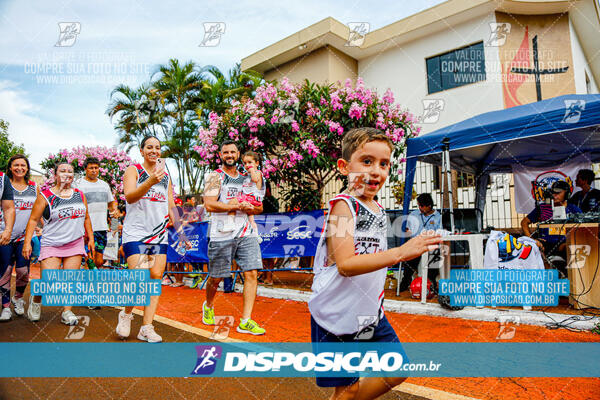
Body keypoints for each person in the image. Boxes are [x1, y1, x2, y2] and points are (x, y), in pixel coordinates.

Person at [309, 127, 441, 399]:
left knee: (397, 369)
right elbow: (345, 264)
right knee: (346, 389)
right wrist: (402, 252)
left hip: (369, 314)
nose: (376, 171)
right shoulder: (343, 206)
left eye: (384, 164)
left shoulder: (379, 211)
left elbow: (373, 260)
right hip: (335, 315)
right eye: (366, 161)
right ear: (344, 167)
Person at [115, 136, 178, 343]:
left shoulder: (166, 177)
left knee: (154, 278)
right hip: (136, 233)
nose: (154, 150)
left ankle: (146, 327)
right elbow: (130, 196)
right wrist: (150, 181)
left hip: (159, 234)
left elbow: (170, 206)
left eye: (157, 147)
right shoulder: (133, 170)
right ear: (142, 151)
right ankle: (126, 314)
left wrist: (181, 230)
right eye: (149, 147)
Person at [202, 140, 266, 335]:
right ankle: (209, 304)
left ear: (238, 154)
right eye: (225, 152)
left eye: (233, 152)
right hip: (221, 234)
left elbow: (260, 206)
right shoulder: (215, 176)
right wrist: (235, 206)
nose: (229, 155)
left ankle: (245, 320)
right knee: (217, 277)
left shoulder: (248, 178)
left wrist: (250, 208)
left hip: (246, 232)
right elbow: (209, 205)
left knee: (252, 273)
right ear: (221, 155)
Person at [22, 162, 94, 325]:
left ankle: (67, 312)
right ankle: (36, 300)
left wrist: (90, 238)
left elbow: (87, 217)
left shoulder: (80, 195)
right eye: (62, 171)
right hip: (52, 243)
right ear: (55, 175)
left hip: (75, 243)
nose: (66, 174)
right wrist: (27, 243)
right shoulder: (46, 195)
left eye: (70, 171)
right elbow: (33, 219)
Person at [521, 180, 581, 272]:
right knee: (535, 251)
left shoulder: (573, 209)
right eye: (553, 193)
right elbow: (524, 222)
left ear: (567, 194)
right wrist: (531, 239)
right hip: (544, 244)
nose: (554, 196)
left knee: (571, 248)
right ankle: (548, 278)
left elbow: (582, 226)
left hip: (564, 244)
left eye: (558, 193)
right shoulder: (543, 208)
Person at [74, 157, 118, 269]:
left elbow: (112, 205)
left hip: (101, 228)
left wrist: (114, 225)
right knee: (91, 259)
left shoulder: (104, 185)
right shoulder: (78, 184)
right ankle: (88, 283)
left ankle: (86, 277)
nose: (94, 170)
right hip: (85, 228)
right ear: (85, 169)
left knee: (99, 261)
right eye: (91, 168)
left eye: (96, 168)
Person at [400, 193, 442, 292]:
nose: (420, 208)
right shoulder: (414, 214)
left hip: (430, 245)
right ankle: (405, 282)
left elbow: (439, 231)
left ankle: (431, 284)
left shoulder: (437, 216)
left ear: (429, 206)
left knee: (434, 259)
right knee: (409, 261)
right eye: (418, 205)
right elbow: (407, 229)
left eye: (422, 206)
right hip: (416, 244)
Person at [220, 150, 264, 233]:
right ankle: (256, 234)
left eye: (250, 162)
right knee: (251, 219)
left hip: (253, 198)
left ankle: (230, 223)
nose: (247, 165)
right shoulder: (248, 175)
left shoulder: (257, 172)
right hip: (252, 199)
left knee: (232, 202)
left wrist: (251, 171)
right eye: (245, 163)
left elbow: (255, 180)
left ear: (257, 163)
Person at [0, 156, 18, 321]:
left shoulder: (2, 178)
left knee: (5, 271)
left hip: (1, 235)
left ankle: (6, 307)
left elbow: (8, 207)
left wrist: (8, 229)